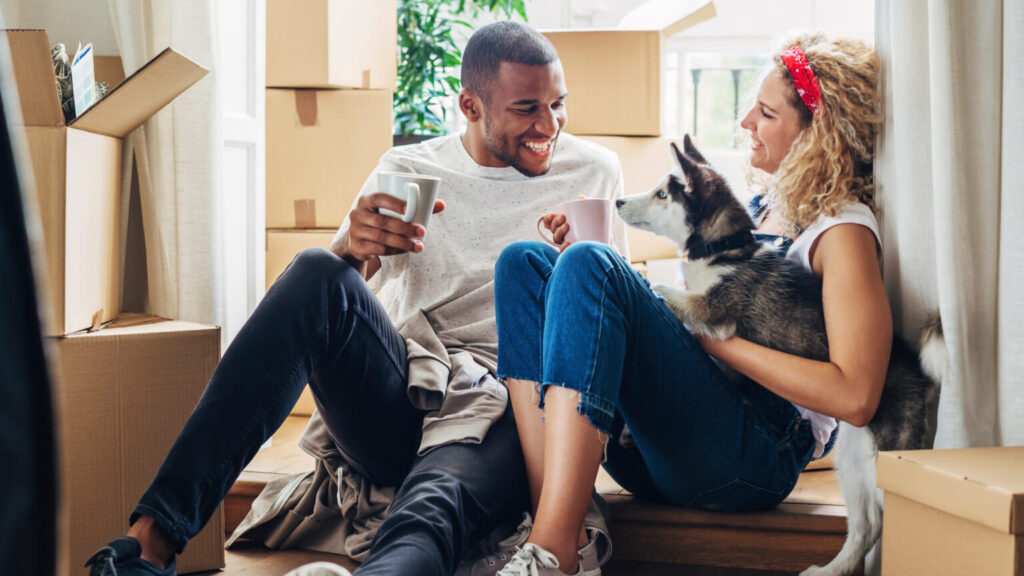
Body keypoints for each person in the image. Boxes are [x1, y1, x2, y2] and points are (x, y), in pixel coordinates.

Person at [84, 21, 627, 576]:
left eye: (559, 104)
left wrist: (577, 264)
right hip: (406, 395)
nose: (549, 125)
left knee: (431, 505)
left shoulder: (593, 172)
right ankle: (149, 541)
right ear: (470, 105)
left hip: (509, 408)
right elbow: (341, 291)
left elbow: (605, 321)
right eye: (527, 107)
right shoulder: (412, 171)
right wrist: (351, 246)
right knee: (318, 268)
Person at [492, 33, 884, 576]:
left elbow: (856, 396)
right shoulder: (761, 210)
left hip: (752, 452)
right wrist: (582, 282)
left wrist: (709, 336)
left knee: (589, 265)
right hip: (664, 447)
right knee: (525, 264)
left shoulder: (840, 231)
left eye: (766, 113)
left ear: (820, 136)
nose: (746, 121)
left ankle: (552, 553)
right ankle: (561, 530)